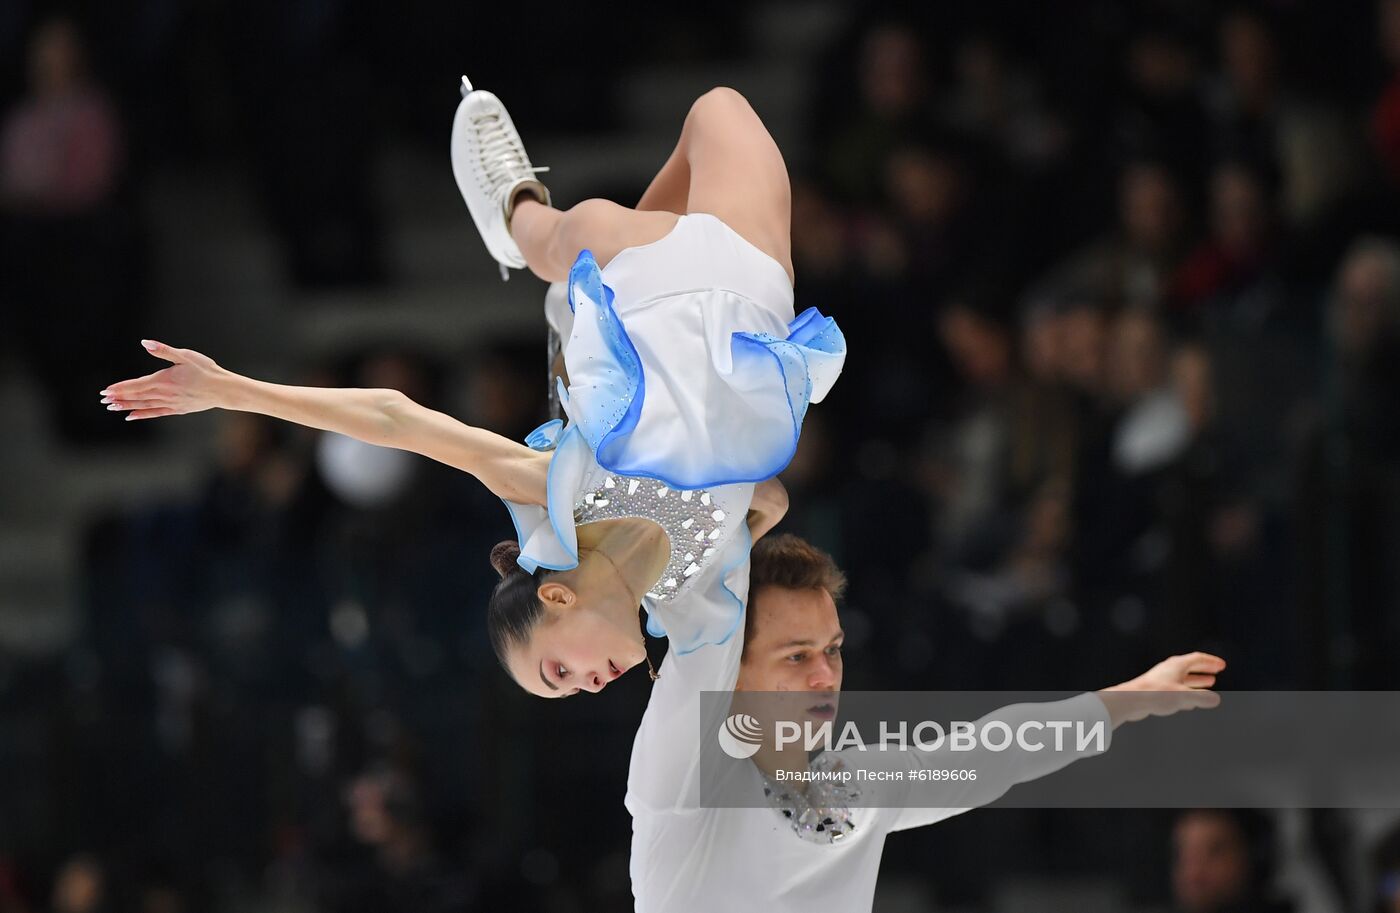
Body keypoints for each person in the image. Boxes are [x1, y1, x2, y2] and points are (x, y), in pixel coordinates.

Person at [99, 79, 845, 699]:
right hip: (747, 301)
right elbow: (769, 496)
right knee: (721, 108)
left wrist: (233, 390)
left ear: (556, 597)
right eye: (570, 688)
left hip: (644, 282)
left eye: (557, 671)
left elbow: (397, 418)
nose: (586, 685)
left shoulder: (564, 495)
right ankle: (568, 299)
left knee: (575, 232)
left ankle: (518, 214)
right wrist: (738, 530)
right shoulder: (690, 589)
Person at [626, 533, 1226, 912]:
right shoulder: (686, 777)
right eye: (796, 655)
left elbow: (994, 754)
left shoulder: (852, 787)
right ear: (732, 667)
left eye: (832, 650)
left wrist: (1135, 696)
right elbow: (698, 628)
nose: (824, 675)